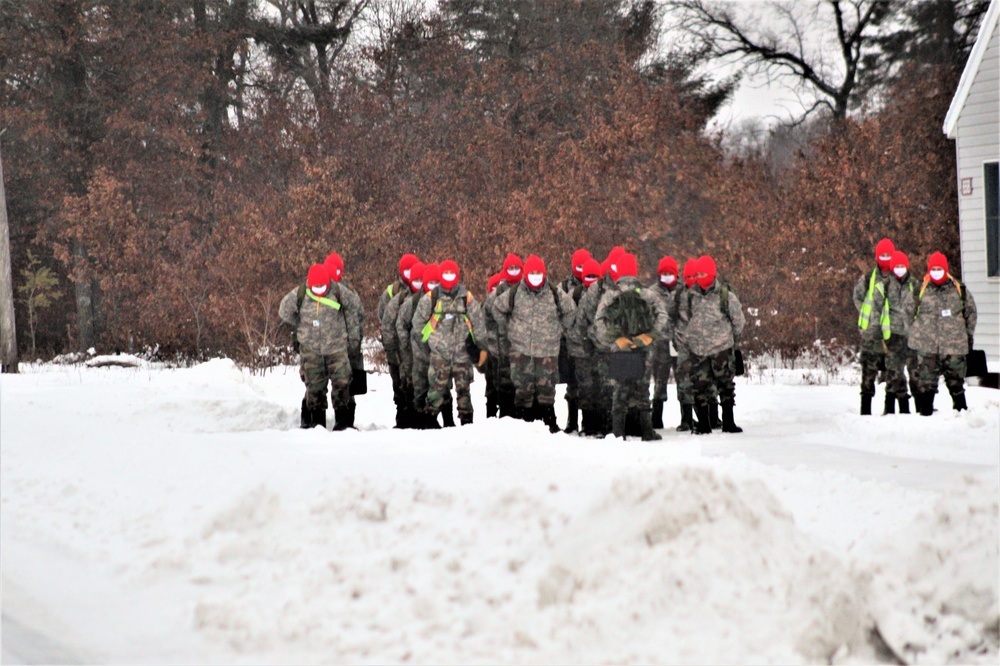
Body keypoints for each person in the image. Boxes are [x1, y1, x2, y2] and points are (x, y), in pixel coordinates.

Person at [492, 254, 577, 432]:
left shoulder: (554, 292)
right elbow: (497, 308)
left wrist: (559, 329)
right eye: (532, 272)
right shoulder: (515, 293)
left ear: (544, 274)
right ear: (526, 274)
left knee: (546, 389)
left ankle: (549, 422)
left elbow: (570, 311)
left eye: (539, 272)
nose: (536, 276)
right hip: (521, 351)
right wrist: (511, 329)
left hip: (547, 351)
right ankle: (525, 423)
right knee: (523, 389)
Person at [279, 262, 363, 431]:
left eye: (322, 286)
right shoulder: (300, 293)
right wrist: (301, 325)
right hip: (311, 349)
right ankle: (316, 423)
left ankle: (343, 423)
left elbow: (355, 308)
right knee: (314, 386)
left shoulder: (339, 291)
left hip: (336, 347)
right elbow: (284, 311)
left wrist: (352, 338)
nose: (319, 289)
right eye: (315, 286)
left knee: (342, 384)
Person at [594, 252, 669, 441]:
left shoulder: (610, 295)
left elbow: (599, 321)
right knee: (642, 389)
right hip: (642, 349)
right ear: (636, 271)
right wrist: (649, 336)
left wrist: (613, 340)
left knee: (620, 389)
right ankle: (647, 431)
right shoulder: (647, 293)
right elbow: (662, 316)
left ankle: (618, 432)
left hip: (620, 349)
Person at [676, 255, 745, 435]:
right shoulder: (689, 297)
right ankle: (705, 424)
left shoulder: (725, 295)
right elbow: (683, 322)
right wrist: (688, 342)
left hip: (722, 349)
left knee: (726, 386)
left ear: (712, 274)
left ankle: (728, 422)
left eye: (703, 273)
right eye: (697, 273)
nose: (700, 277)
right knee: (700, 387)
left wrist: (729, 338)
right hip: (698, 350)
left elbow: (738, 320)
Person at [413, 259, 487, 426]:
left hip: (462, 354)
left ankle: (467, 423)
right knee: (436, 391)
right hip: (439, 355)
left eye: (452, 273)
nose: (449, 276)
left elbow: (478, 323)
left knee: (464, 392)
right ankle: (429, 422)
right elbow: (417, 326)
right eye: (446, 273)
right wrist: (429, 348)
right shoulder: (431, 298)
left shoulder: (466, 298)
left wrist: (482, 348)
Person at [904, 252, 977, 415]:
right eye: (933, 268)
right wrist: (916, 334)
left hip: (953, 345)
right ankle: (926, 414)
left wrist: (967, 334)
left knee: (956, 381)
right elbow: (907, 312)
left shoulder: (959, 289)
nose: (936, 271)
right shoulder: (919, 290)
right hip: (927, 345)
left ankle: (962, 414)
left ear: (946, 269)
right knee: (926, 382)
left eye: (939, 268)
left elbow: (970, 313)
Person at [853, 237, 895, 415]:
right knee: (868, 377)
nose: (885, 258)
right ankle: (865, 412)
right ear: (877, 257)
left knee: (893, 376)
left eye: (888, 255)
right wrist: (869, 317)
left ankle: (890, 411)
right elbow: (858, 298)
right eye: (882, 255)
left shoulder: (898, 277)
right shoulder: (868, 278)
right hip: (871, 337)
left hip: (893, 337)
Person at [324, 252, 366, 429]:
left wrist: (353, 343)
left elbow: (358, 317)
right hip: (330, 345)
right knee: (332, 384)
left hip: (342, 345)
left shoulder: (347, 291)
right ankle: (341, 421)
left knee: (343, 384)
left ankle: (344, 421)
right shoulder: (322, 289)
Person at [383, 260, 424, 428]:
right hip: (402, 349)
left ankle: (421, 417)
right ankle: (404, 417)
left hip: (424, 350)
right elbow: (388, 323)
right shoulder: (397, 299)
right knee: (403, 384)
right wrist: (394, 351)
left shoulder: (431, 298)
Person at [570, 258, 605, 436]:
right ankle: (588, 423)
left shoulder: (604, 293)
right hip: (581, 348)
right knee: (585, 387)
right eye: (588, 276)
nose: (591, 279)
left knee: (600, 386)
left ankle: (601, 424)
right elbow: (570, 318)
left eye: (594, 276)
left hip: (601, 347)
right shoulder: (575, 294)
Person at [559, 248, 591, 432]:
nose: (581, 269)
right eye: (579, 266)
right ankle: (572, 422)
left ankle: (587, 422)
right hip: (569, 342)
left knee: (587, 386)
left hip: (589, 342)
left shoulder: (594, 282)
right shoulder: (563, 286)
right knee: (572, 386)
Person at [883, 250, 917, 414]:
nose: (899, 268)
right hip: (893, 336)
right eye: (897, 266)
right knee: (894, 374)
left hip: (912, 337)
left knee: (916, 374)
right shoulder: (884, 286)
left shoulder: (915, 285)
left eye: (902, 265)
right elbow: (876, 311)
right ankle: (891, 409)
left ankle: (921, 409)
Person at [649, 255, 680, 429]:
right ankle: (656, 418)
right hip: (659, 343)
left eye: (670, 273)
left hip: (678, 342)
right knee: (660, 382)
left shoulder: (683, 291)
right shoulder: (652, 292)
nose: (666, 276)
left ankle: (687, 418)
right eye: (664, 273)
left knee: (683, 380)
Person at [494, 253, 524, 417]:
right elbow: (491, 316)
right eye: (510, 268)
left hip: (525, 344)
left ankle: (524, 415)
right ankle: (506, 414)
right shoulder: (499, 291)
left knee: (524, 380)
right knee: (505, 380)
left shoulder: (526, 288)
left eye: (516, 268)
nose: (513, 271)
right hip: (504, 343)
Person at [483, 272, 504, 418]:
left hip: (504, 350)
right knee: (491, 387)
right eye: (494, 286)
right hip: (490, 351)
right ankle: (490, 415)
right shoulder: (485, 306)